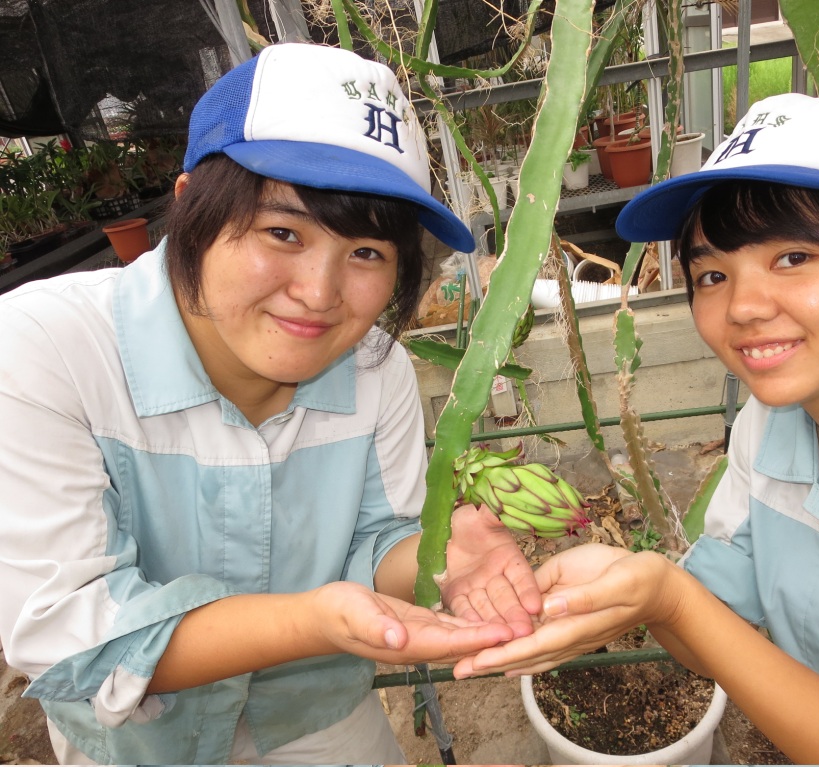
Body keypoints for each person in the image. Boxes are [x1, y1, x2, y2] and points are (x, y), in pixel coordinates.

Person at [0, 43, 542, 765]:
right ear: (190, 206)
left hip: (314, 717)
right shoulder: (44, 349)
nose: (318, 294)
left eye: (367, 253)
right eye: (282, 232)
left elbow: (378, 537)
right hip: (133, 741)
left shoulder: (376, 369)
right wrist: (312, 621)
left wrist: (440, 557)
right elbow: (66, 627)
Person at [454, 94, 819, 764]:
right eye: (713, 274)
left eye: (794, 258)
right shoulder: (769, 424)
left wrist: (671, 598)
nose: (743, 307)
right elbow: (713, 619)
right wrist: (642, 592)